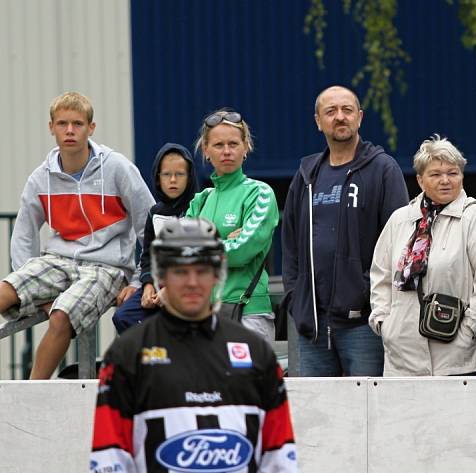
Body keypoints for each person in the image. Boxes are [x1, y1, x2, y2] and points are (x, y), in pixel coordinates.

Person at [90, 218, 297, 472]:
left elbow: (280, 460)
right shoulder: (126, 355)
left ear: (217, 274)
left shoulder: (257, 353)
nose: (192, 282)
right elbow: (109, 459)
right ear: (160, 275)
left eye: (202, 270)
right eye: (180, 271)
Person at [0, 91, 153, 379]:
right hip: (57, 260)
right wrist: (35, 291)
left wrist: (137, 280)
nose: (70, 131)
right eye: (62, 124)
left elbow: (149, 225)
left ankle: (29, 396)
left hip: (108, 267)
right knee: (4, 292)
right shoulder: (40, 177)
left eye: (77, 124)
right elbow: (23, 234)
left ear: (90, 128)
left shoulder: (117, 167)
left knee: (61, 317)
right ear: (51, 128)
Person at [282, 85, 408, 377]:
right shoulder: (306, 176)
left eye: (347, 110)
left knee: (368, 416)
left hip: (364, 325)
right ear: (318, 121)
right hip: (312, 326)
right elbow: (289, 243)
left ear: (360, 117)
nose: (340, 117)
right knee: (318, 418)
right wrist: (294, 296)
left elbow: (400, 242)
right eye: (331, 111)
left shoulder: (382, 170)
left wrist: (369, 295)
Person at [370, 135, 476, 376]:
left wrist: (470, 331)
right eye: (436, 174)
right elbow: (381, 276)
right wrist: (385, 324)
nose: (445, 181)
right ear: (420, 180)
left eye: (453, 173)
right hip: (403, 358)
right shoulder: (400, 220)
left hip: (459, 357)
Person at [186, 109, 280, 342]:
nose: (226, 151)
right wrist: (226, 241)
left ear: (245, 147)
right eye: (218, 145)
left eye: (233, 143)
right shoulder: (201, 200)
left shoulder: (260, 194)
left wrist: (204, 246)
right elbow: (178, 253)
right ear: (206, 150)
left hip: (248, 314)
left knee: (245, 380)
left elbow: (241, 252)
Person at [112, 143, 198, 333]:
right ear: (158, 178)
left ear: (190, 177)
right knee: (123, 316)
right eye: (166, 174)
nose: (173, 180)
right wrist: (148, 284)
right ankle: (151, 359)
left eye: (180, 174)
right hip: (158, 284)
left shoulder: (199, 206)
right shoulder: (155, 213)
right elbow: (148, 255)